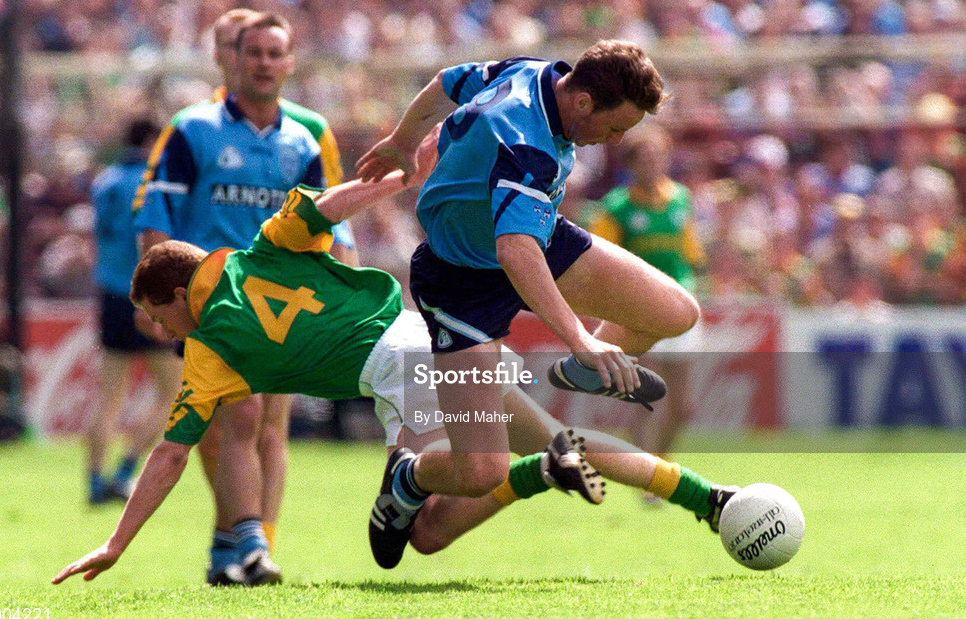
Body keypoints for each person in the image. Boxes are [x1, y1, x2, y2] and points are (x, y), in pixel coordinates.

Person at [52, 175, 740, 586]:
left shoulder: (208, 354)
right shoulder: (264, 243)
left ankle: (422, 477)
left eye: (156, 317)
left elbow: (170, 455)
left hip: (407, 367)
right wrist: (392, 181)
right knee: (549, 446)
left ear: (175, 293)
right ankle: (708, 497)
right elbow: (328, 206)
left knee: (433, 522)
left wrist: (117, 542)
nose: (161, 332)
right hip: (426, 335)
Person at [356, 41, 713, 559]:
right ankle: (408, 476)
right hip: (463, 283)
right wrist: (582, 338)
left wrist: (402, 139)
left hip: (535, 233)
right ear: (585, 102)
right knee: (481, 473)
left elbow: (447, 81)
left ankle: (579, 371)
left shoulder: (535, 73)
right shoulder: (527, 144)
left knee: (675, 311)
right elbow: (515, 252)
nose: (610, 143)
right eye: (614, 129)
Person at [132, 11, 349, 584]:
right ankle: (240, 539)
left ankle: (251, 546)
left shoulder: (307, 136)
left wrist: (340, 289)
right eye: (249, 51)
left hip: (280, 302)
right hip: (206, 302)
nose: (260, 62)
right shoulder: (192, 128)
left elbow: (330, 223)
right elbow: (157, 212)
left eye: (273, 53)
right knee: (229, 422)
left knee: (263, 423)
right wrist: (152, 295)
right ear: (228, 57)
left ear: (289, 62)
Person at [589, 124, 706, 495]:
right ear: (632, 164)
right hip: (638, 311)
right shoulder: (617, 208)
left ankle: (657, 461)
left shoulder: (680, 199)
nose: (654, 164)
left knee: (683, 405)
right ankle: (646, 477)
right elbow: (599, 259)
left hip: (681, 305)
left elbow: (690, 252)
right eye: (646, 158)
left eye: (660, 156)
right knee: (649, 397)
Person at [87, 119, 182, 505]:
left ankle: (94, 480)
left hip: (107, 292)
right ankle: (126, 468)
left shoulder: (104, 181)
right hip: (142, 293)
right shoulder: (149, 182)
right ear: (148, 141)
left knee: (109, 395)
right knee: (174, 393)